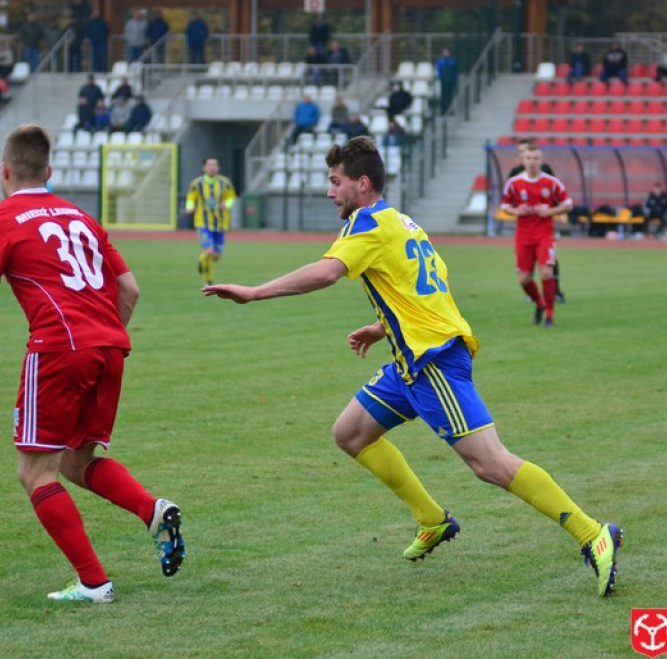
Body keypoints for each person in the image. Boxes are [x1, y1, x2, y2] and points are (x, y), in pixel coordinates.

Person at [202, 136, 622, 598]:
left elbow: (325, 273)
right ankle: (431, 518)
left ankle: (591, 533)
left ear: (361, 183)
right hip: (411, 359)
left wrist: (254, 292)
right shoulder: (400, 221)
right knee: (351, 433)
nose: (329, 192)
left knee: (490, 463)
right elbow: (425, 282)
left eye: (335, 181)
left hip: (432, 362)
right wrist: (382, 327)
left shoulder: (366, 222)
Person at [0, 123, 185, 604]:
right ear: (51, 170)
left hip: (60, 348)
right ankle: (152, 510)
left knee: (35, 473)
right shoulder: (81, 216)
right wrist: (102, 335)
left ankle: (93, 582)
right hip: (110, 347)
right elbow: (130, 290)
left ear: (4, 171)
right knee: (77, 462)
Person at [500, 145, 573, 327]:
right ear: (523, 161)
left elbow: (568, 203)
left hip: (544, 234)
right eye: (529, 158)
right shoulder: (514, 183)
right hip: (523, 235)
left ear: (541, 161)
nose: (532, 162)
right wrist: (517, 210)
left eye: (535, 158)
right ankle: (539, 303)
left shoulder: (551, 182)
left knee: (547, 273)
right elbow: (504, 206)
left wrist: (550, 211)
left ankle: (550, 315)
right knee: (524, 279)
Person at [185, 156, 236, 287]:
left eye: (215, 165)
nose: (212, 168)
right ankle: (208, 281)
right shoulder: (197, 183)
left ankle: (201, 260)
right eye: (209, 165)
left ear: (218, 167)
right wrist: (189, 207)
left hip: (221, 223)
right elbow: (191, 198)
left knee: (215, 256)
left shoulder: (225, 183)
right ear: (204, 167)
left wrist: (227, 204)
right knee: (209, 251)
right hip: (203, 222)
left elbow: (231, 197)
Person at [86, 9, 110, 73]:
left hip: (101, 42)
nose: (95, 15)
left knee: (102, 56)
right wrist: (91, 38)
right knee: (95, 57)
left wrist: (104, 37)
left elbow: (107, 30)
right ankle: (96, 70)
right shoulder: (90, 23)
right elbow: (88, 31)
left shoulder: (102, 22)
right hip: (94, 42)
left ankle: (104, 70)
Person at [435, 48, 457, 115]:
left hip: (450, 80)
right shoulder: (440, 61)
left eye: (446, 52)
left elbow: (454, 70)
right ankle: (443, 110)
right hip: (443, 80)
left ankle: (450, 110)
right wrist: (440, 77)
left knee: (449, 96)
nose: (445, 54)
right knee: (443, 96)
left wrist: (453, 79)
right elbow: (438, 69)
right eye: (444, 52)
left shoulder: (452, 61)